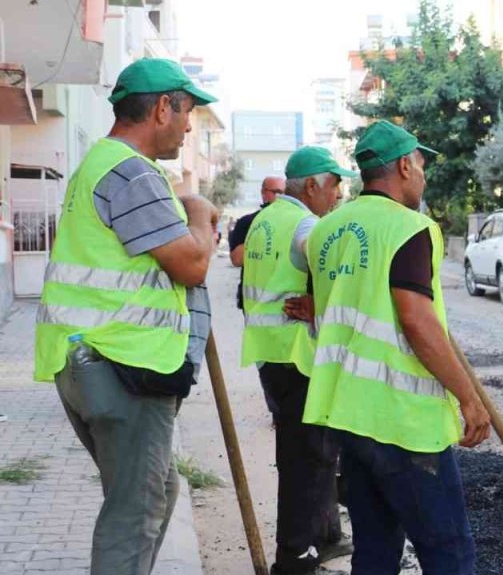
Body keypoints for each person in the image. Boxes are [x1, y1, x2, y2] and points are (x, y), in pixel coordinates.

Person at [34, 58, 219, 574]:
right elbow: (192, 264)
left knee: (158, 491)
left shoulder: (100, 163)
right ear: (164, 107)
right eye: (188, 114)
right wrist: (200, 213)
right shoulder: (132, 172)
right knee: (134, 513)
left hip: (88, 361)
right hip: (122, 364)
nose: (188, 127)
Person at [302, 120, 491, 573]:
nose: (423, 176)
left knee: (376, 550)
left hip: (349, 414)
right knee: (449, 551)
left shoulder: (325, 232)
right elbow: (416, 319)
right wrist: (469, 398)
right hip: (403, 421)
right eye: (421, 165)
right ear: (405, 165)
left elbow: (317, 307)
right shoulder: (410, 228)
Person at [241, 147, 357, 575]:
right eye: (334, 185)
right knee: (306, 461)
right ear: (311, 186)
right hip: (298, 356)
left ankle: (320, 538)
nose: (338, 195)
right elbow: (339, 277)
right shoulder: (306, 224)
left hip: (270, 354)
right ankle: (294, 557)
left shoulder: (264, 220)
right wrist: (322, 307)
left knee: (303, 455)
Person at [231, 176, 287, 308]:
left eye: (284, 193)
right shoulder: (248, 222)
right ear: (263, 193)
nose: (281, 197)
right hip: (254, 300)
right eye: (276, 192)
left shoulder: (293, 221)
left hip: (283, 296)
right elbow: (237, 259)